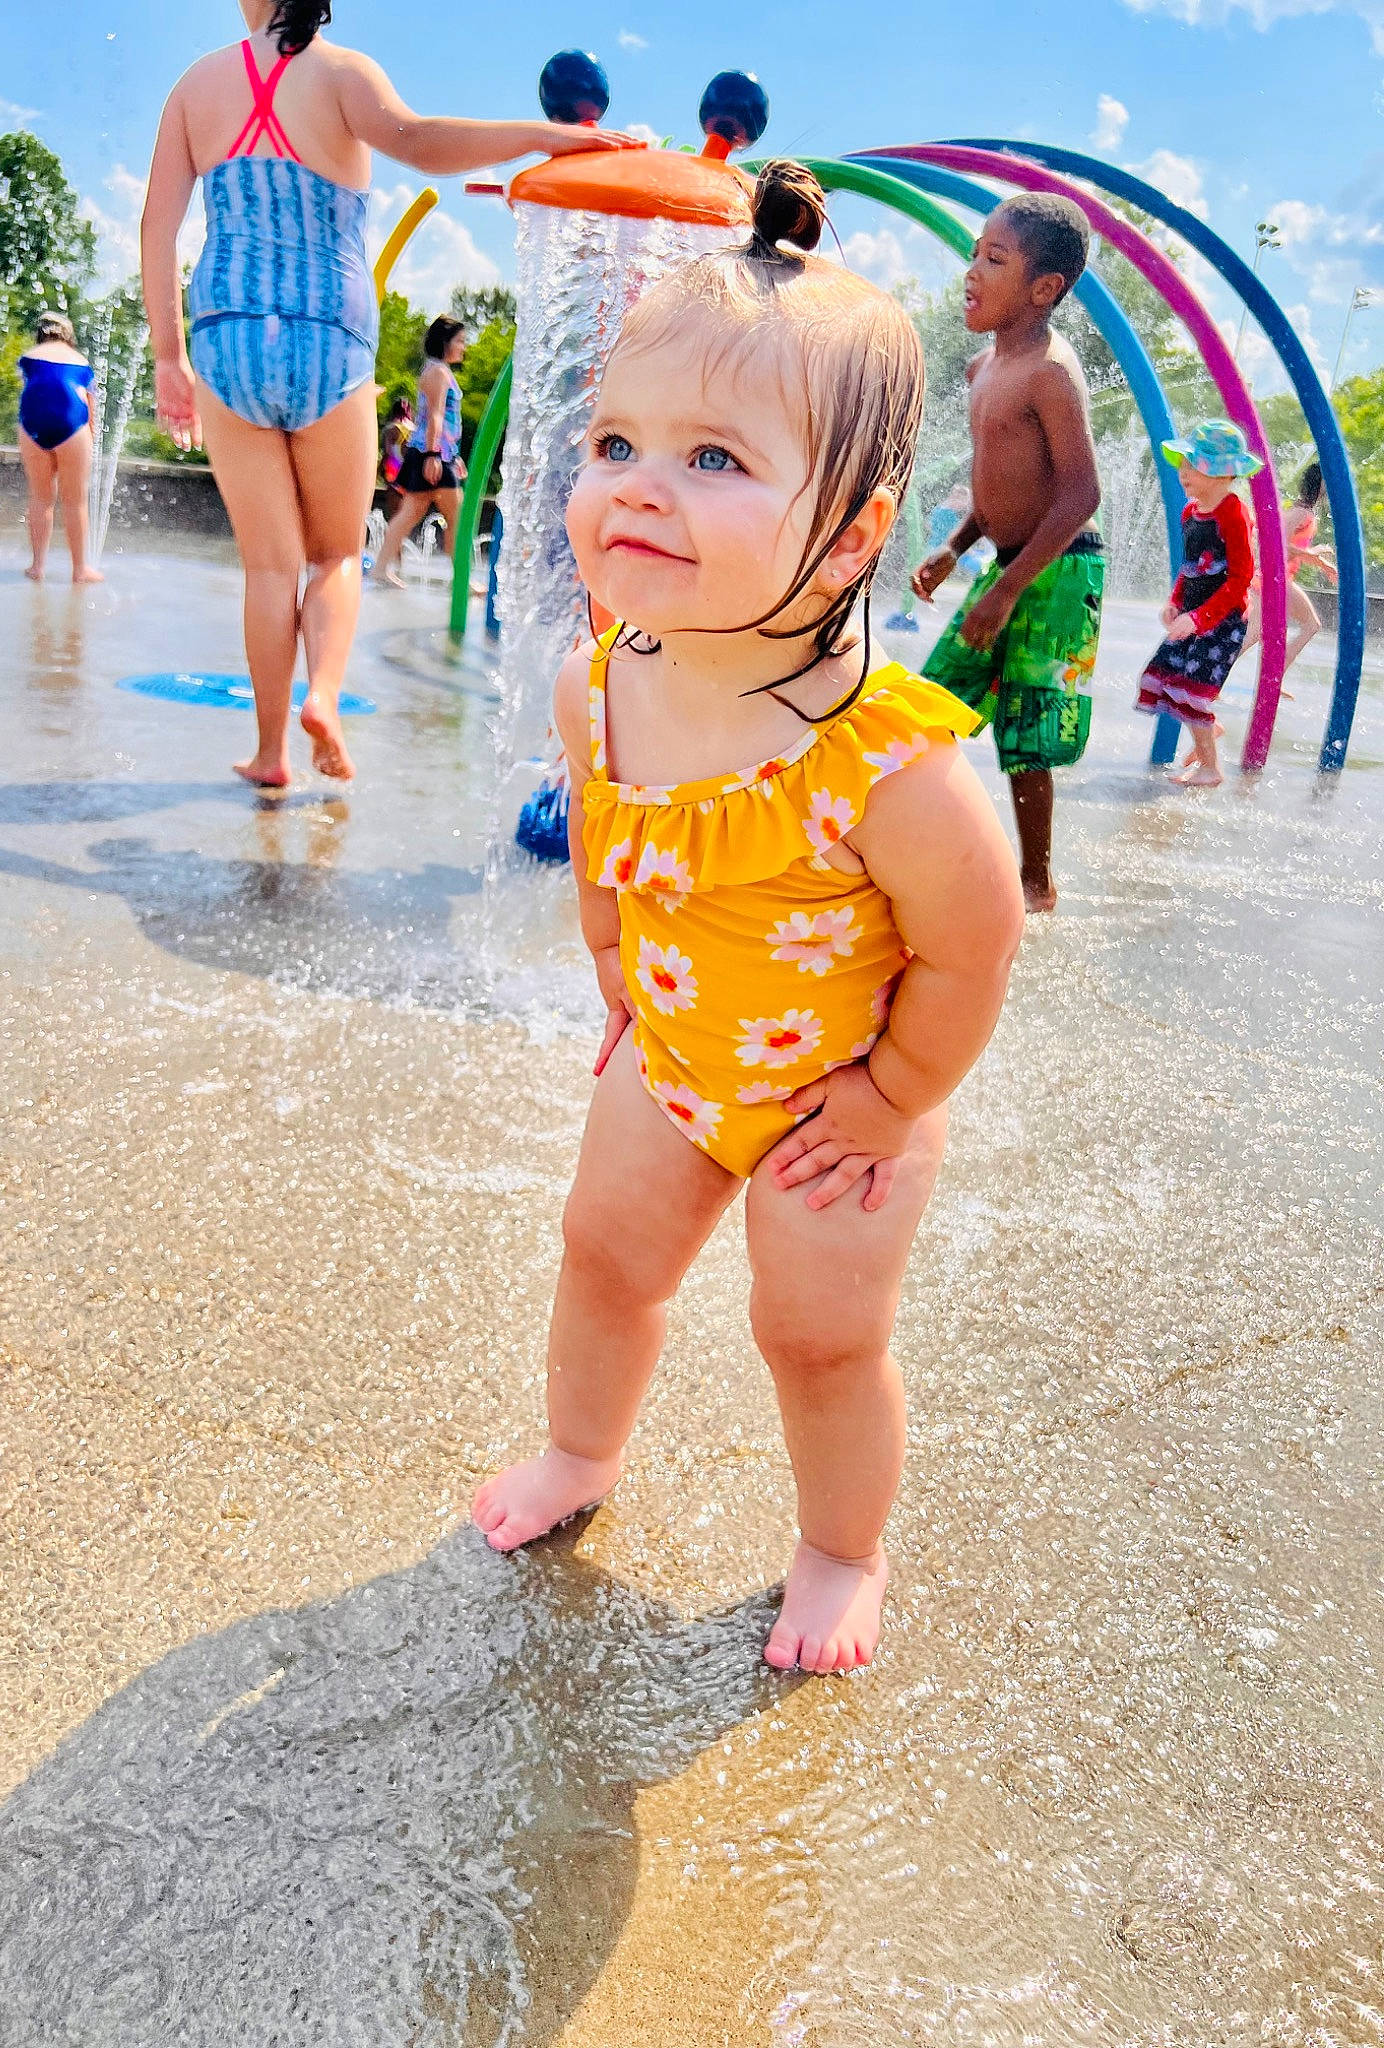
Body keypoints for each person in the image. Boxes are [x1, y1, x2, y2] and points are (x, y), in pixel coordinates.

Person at [470, 164, 1025, 1675]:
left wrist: (893, 1095)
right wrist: (610, 968)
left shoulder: (889, 764)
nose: (639, 484)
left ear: (850, 539)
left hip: (839, 1103)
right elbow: (606, 835)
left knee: (818, 1339)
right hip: (672, 1056)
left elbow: (976, 947)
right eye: (615, 443)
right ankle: (580, 1457)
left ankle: (843, 1549)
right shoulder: (604, 682)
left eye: (715, 457)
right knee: (603, 1256)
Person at [141, 0, 633, 790]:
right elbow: (421, 142)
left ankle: (269, 753)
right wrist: (543, 136)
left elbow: (156, 227)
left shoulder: (197, 86)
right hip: (329, 336)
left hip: (227, 334)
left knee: (270, 570)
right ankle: (325, 700)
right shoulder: (340, 73)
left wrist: (170, 358)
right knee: (336, 554)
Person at [910, 194, 1103, 915]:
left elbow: (1080, 492)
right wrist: (954, 549)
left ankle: (1036, 881)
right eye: (974, 253)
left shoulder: (1049, 372)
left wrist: (1007, 589)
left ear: (1044, 289)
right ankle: (921, 845)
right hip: (1012, 560)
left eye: (995, 259)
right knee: (932, 705)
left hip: (1060, 566)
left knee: (1026, 729)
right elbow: (999, 485)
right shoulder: (982, 370)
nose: (972, 270)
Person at [1136, 420, 1261, 789]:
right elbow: (1190, 569)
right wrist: (1175, 603)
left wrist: (1201, 618)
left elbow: (1241, 577)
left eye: (1192, 464)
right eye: (1183, 463)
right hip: (1192, 616)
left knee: (1191, 689)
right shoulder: (1190, 513)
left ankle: (1211, 769)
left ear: (1221, 472)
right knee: (1168, 678)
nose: (1183, 471)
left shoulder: (1233, 512)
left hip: (1222, 620)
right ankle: (1210, 731)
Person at [371, 317, 468, 589]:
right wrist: (433, 456)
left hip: (437, 454)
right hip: (433, 455)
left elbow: (440, 420)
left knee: (412, 513)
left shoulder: (437, 370)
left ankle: (380, 569)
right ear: (445, 342)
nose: (463, 347)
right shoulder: (438, 372)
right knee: (456, 516)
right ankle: (460, 580)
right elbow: (435, 416)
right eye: (459, 341)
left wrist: (452, 455)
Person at [16, 313, 103, 585]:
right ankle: (80, 570)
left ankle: (37, 567)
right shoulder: (81, 362)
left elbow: (28, 391)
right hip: (72, 423)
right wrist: (90, 434)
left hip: (32, 424)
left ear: (40, 334)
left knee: (41, 497)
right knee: (74, 500)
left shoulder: (28, 358)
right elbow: (91, 405)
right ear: (69, 336)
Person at [1235, 458, 1338, 684]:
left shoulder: (1305, 513)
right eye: (1328, 483)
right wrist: (1312, 555)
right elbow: (1273, 545)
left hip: (1279, 578)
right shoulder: (1302, 514)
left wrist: (1320, 562)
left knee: (1266, 633)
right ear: (1320, 485)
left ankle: (1271, 679)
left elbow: (1291, 550)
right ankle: (1212, 679)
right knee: (1259, 632)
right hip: (1272, 579)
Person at [379, 391, 414, 518]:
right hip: (410, 469)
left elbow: (388, 451)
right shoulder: (413, 429)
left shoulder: (390, 429)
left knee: (393, 510)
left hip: (394, 467)